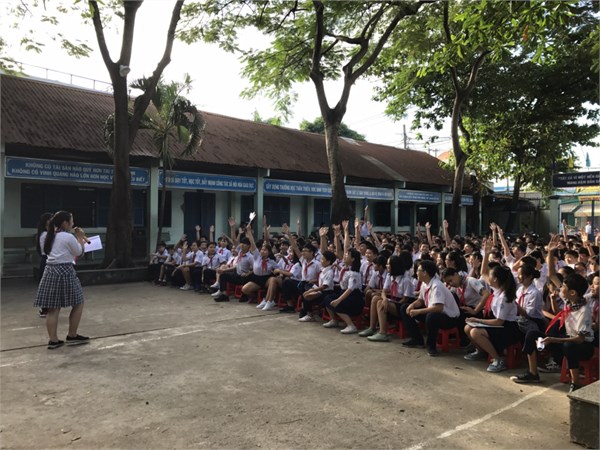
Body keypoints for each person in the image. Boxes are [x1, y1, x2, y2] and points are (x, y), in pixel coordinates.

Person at [511, 273, 595, 392]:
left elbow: (579, 339)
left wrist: (553, 339)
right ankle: (533, 373)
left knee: (569, 346)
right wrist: (550, 258)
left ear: (572, 293)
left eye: (563, 286)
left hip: (584, 346)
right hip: (566, 339)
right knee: (532, 334)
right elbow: (552, 275)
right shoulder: (570, 301)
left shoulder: (584, 311)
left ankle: (575, 383)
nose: (560, 288)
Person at [34, 211, 90, 349]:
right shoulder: (68, 237)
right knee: (78, 302)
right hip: (65, 270)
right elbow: (78, 252)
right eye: (71, 221)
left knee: (53, 308)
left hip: (50, 270)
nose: (72, 223)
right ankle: (72, 335)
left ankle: (53, 340)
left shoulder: (48, 235)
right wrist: (80, 238)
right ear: (65, 223)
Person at [464, 264, 520, 372]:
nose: (487, 277)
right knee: (467, 328)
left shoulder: (504, 297)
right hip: (500, 325)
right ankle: (481, 352)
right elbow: (483, 272)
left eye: (490, 275)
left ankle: (498, 360)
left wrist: (478, 320)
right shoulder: (497, 289)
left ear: (495, 279)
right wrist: (486, 255)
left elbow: (499, 322)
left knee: (475, 332)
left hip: (508, 329)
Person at [399, 259, 460, 356]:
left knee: (431, 316)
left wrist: (418, 311)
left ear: (425, 273)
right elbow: (421, 300)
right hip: (435, 313)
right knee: (404, 308)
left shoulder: (437, 286)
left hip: (449, 318)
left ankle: (431, 346)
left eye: (418, 270)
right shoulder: (425, 283)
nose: (416, 272)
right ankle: (417, 339)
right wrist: (412, 305)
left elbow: (438, 308)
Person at [321, 248, 364, 334]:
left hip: (353, 298)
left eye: (347, 255)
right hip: (344, 293)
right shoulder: (346, 269)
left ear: (353, 259)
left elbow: (350, 289)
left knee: (337, 303)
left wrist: (338, 300)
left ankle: (351, 325)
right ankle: (334, 320)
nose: (344, 256)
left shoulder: (355, 273)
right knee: (327, 298)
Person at [35, 212, 53, 317]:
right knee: (47, 285)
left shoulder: (45, 233)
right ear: (46, 221)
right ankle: (44, 308)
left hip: (46, 259)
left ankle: (46, 307)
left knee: (47, 285)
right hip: (47, 259)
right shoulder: (45, 234)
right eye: (51, 219)